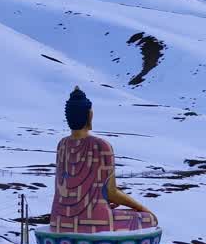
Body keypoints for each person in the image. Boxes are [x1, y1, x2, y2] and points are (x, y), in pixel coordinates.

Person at [51, 87, 157, 233]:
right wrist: (142, 208)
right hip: (95, 221)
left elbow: (65, 189)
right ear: (89, 116)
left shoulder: (62, 144)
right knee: (149, 219)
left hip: (59, 220)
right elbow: (111, 192)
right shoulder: (100, 146)